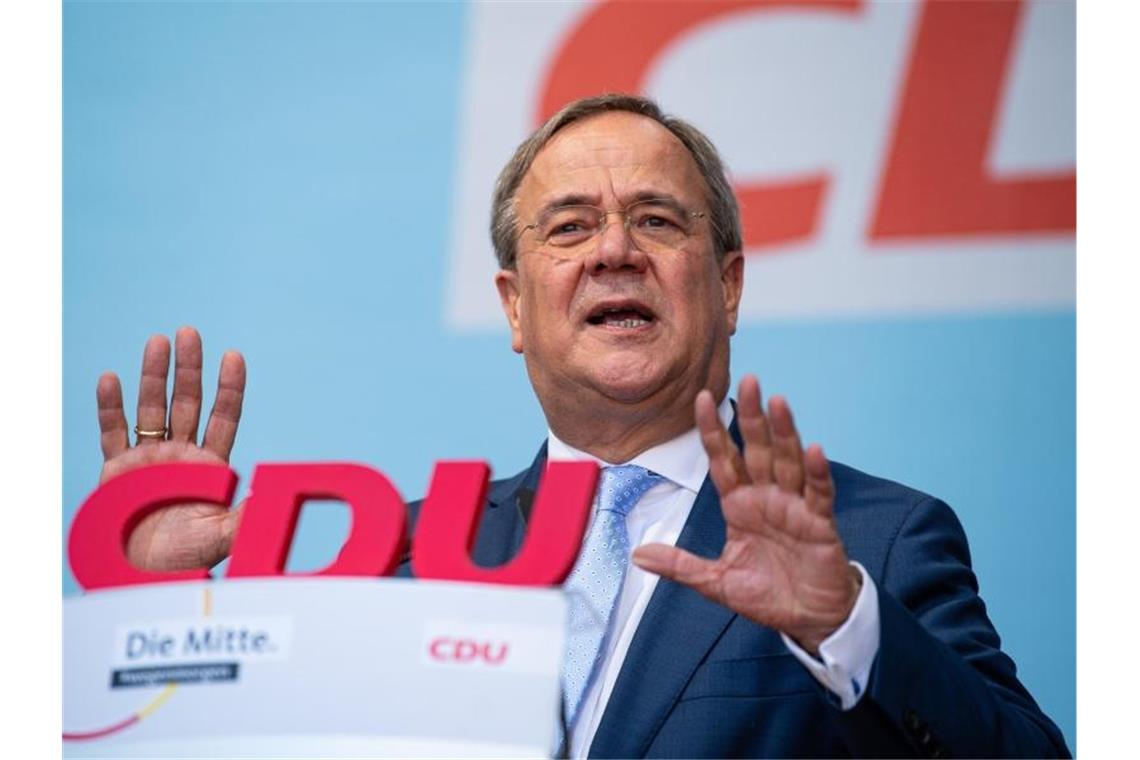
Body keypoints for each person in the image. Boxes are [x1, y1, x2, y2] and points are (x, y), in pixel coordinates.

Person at [93, 94, 1069, 758]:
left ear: (727, 285)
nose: (612, 250)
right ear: (515, 307)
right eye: (568, 226)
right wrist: (160, 616)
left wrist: (845, 626)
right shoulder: (401, 553)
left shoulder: (878, 541)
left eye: (656, 219)